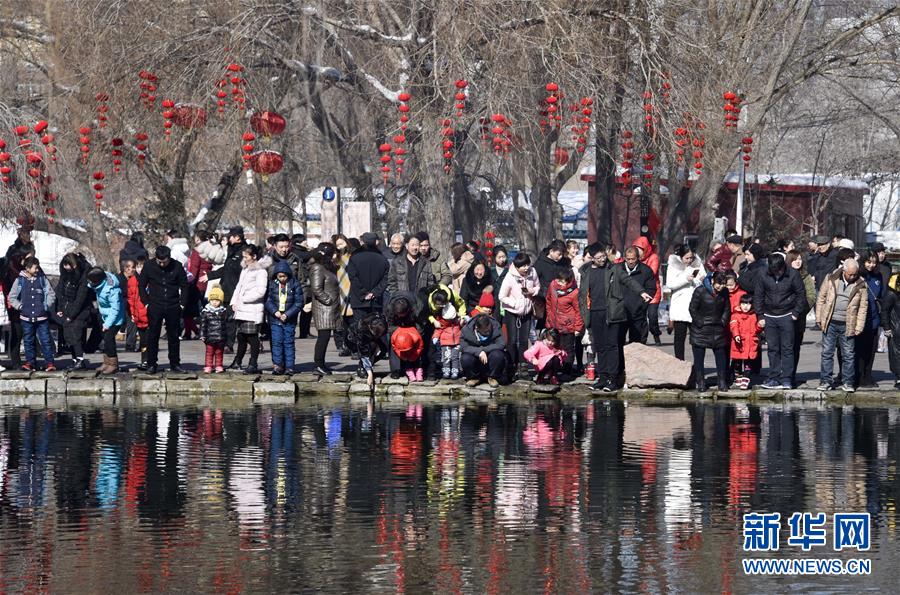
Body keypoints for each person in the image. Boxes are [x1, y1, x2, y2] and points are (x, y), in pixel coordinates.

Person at [580, 244, 650, 392]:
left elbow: (628, 281)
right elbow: (582, 294)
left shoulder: (614, 269)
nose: (602, 260)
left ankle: (613, 378)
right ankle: (603, 377)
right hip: (594, 312)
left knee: (612, 345)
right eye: (598, 258)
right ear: (592, 258)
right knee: (600, 345)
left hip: (611, 312)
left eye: (604, 256)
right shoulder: (586, 271)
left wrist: (641, 292)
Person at [754, 253, 806, 389]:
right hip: (769, 316)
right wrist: (760, 315)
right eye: (774, 270)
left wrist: (796, 313)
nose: (777, 272)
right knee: (773, 349)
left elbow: (801, 294)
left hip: (787, 315)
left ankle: (787, 379)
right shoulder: (763, 274)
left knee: (787, 349)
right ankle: (774, 378)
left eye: (779, 270)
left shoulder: (793, 274)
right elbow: (758, 295)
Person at [815, 258, 867, 392]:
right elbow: (821, 297)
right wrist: (819, 318)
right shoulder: (831, 278)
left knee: (848, 354)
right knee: (827, 352)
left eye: (855, 274)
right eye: (850, 274)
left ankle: (848, 382)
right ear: (844, 271)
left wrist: (859, 326)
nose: (853, 277)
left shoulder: (861, 284)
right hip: (830, 322)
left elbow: (863, 307)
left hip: (848, 324)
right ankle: (825, 381)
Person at [139, 246, 189, 373]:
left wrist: (182, 304)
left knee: (173, 335)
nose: (162, 264)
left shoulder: (177, 266)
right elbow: (141, 285)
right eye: (159, 262)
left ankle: (175, 363)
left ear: (169, 257)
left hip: (173, 304)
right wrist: (146, 303)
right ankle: (151, 363)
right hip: (155, 304)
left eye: (164, 262)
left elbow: (184, 285)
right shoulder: (149, 266)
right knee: (153, 335)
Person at [202, 226, 247, 351]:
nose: (228, 238)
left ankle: (251, 342)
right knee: (228, 318)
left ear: (237, 237)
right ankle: (228, 344)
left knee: (238, 319)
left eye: (230, 236)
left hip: (237, 290)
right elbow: (226, 269)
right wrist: (210, 276)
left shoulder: (244, 251)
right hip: (227, 289)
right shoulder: (232, 250)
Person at [8, 256, 56, 371]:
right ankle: (30, 363)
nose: (38, 270)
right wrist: (20, 306)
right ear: (28, 268)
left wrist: (45, 306)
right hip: (26, 318)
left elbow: (51, 294)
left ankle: (50, 363)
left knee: (45, 340)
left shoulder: (42, 280)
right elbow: (11, 297)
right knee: (28, 341)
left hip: (42, 318)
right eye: (35, 268)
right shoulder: (19, 281)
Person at [228, 244, 270, 374]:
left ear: (254, 256)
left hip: (252, 309)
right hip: (241, 309)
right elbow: (238, 287)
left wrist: (244, 299)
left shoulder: (261, 271)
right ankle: (237, 361)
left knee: (252, 338)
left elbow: (260, 291)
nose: (244, 259)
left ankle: (253, 363)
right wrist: (234, 301)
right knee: (241, 337)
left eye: (246, 256)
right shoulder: (245, 270)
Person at [498, 252, 541, 379]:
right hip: (512, 311)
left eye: (527, 264)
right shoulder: (510, 277)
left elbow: (538, 286)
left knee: (524, 340)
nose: (526, 268)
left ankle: (523, 367)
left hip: (527, 311)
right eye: (523, 266)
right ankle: (511, 366)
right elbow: (502, 296)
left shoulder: (532, 272)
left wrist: (533, 291)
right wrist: (515, 304)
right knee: (511, 341)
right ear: (517, 267)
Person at [688, 271, 730, 392]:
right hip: (701, 329)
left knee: (721, 356)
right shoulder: (700, 291)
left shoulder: (724, 292)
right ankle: (700, 382)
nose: (721, 287)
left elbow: (727, 309)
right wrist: (699, 322)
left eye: (723, 284)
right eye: (719, 284)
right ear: (712, 281)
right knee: (699, 358)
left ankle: (722, 381)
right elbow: (692, 308)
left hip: (717, 328)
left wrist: (723, 321)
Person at [665, 245, 705, 360]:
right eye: (686, 258)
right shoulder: (673, 265)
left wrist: (699, 279)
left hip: (695, 303)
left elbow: (703, 277)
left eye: (691, 258)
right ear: (680, 257)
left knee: (696, 337)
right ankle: (680, 362)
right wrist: (685, 279)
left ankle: (697, 364)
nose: (689, 260)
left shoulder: (697, 264)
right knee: (679, 337)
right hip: (680, 305)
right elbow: (670, 284)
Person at [309, 242, 343, 375]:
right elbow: (316, 288)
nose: (336, 255)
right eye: (334, 253)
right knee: (323, 336)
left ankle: (321, 364)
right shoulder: (317, 267)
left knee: (326, 336)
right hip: (324, 308)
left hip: (330, 308)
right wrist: (328, 300)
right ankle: (318, 364)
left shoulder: (328, 267)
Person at [265, 261, 303, 375]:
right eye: (280, 276)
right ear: (276, 275)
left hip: (289, 319)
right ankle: (278, 365)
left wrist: (287, 314)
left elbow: (299, 302)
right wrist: (274, 311)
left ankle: (290, 366)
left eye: (284, 276)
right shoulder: (272, 284)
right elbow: (268, 300)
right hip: (275, 319)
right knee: (276, 342)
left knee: (289, 342)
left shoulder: (294, 284)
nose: (282, 278)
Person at [785, 250, 816, 387]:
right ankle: (782, 374)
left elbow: (811, 297)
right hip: (783, 317)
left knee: (795, 348)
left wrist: (799, 311)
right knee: (784, 348)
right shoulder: (783, 275)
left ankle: (792, 375)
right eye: (794, 259)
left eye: (799, 259)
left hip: (799, 318)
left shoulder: (806, 276)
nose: (798, 261)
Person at [56, 253, 92, 369]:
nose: (66, 268)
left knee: (75, 333)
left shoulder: (83, 276)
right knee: (68, 335)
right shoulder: (65, 275)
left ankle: (80, 359)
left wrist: (71, 314)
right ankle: (75, 359)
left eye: (68, 265)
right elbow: (60, 291)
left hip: (81, 310)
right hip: (67, 307)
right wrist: (60, 308)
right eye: (65, 265)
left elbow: (80, 298)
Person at [185, 230, 223, 340]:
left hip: (198, 282)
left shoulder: (198, 251)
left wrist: (189, 280)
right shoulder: (212, 249)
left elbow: (194, 269)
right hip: (210, 281)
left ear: (198, 239)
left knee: (189, 310)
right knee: (209, 307)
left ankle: (196, 331)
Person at [86, 267, 125, 375]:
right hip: (104, 314)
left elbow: (115, 309)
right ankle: (106, 362)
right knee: (104, 338)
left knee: (109, 339)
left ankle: (113, 364)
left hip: (115, 318)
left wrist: (108, 324)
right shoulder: (98, 284)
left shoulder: (113, 290)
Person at [545, 268, 583, 374]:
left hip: (568, 325)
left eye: (563, 281)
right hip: (554, 323)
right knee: (555, 347)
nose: (560, 283)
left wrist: (578, 327)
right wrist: (549, 317)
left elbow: (578, 310)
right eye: (559, 280)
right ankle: (555, 370)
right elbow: (548, 301)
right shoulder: (553, 285)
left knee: (568, 349)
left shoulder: (574, 292)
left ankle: (567, 370)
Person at [347, 232, 390, 323]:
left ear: (363, 242)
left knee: (359, 328)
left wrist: (364, 293)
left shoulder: (354, 258)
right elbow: (385, 279)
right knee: (375, 328)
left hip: (359, 300)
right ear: (376, 242)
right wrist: (374, 293)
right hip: (376, 300)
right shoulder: (382, 258)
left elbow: (353, 278)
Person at [856, 250, 883, 388]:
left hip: (874, 319)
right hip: (860, 320)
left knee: (871, 351)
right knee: (860, 350)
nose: (871, 265)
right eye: (869, 262)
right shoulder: (858, 276)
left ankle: (868, 375)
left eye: (874, 262)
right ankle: (859, 376)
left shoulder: (878, 276)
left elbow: (881, 296)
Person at [386, 234, 436, 309]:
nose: (415, 248)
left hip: (420, 302)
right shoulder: (397, 262)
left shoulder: (425, 263)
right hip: (402, 303)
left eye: (417, 245)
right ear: (406, 246)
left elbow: (430, 282)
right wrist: (396, 297)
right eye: (412, 245)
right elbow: (392, 282)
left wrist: (425, 297)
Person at [619, 246, 656, 344]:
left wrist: (642, 305)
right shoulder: (617, 269)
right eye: (628, 259)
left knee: (637, 342)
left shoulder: (646, 271)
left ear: (638, 258)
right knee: (618, 341)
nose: (630, 261)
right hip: (620, 312)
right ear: (624, 258)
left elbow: (651, 289)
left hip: (638, 312)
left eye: (633, 259)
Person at [460, 313, 506, 388]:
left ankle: (493, 377)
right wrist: (479, 352)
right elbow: (463, 347)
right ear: (476, 328)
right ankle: (474, 378)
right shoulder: (466, 330)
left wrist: (483, 350)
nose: (488, 333)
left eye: (489, 330)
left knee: (498, 355)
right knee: (465, 358)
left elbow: (501, 344)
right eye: (485, 332)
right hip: (475, 357)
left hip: (490, 356)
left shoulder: (495, 326)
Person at [345, 312, 388, 388]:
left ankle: (369, 364)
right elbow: (364, 352)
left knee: (383, 350)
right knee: (371, 347)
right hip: (352, 339)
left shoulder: (381, 321)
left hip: (371, 336)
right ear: (371, 328)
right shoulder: (362, 330)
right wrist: (370, 374)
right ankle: (363, 367)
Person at [730, 294, 759, 390]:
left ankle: (746, 378)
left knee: (748, 363)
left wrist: (760, 326)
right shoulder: (735, 315)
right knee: (737, 362)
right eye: (743, 304)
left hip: (750, 343)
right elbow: (734, 326)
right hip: (739, 344)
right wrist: (736, 335)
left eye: (748, 304)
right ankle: (738, 376)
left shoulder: (754, 316)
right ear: (740, 304)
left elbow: (757, 329)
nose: (745, 306)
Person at [126, 257, 150, 370]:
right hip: (138, 315)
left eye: (142, 266)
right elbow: (130, 299)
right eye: (138, 266)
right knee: (142, 340)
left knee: (149, 340)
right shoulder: (132, 280)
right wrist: (132, 313)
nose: (140, 269)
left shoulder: (150, 279)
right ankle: (144, 361)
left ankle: (150, 361)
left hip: (148, 314)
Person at [332, 234, 353, 356]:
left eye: (342, 243)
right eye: (338, 244)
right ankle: (343, 345)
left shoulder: (352, 256)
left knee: (351, 320)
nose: (340, 246)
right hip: (338, 288)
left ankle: (351, 345)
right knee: (340, 321)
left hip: (350, 287)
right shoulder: (335, 258)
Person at [290, 233, 313, 338]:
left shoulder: (304, 251)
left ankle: (305, 331)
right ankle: (298, 331)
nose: (306, 242)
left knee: (307, 309)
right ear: (298, 242)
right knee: (299, 309)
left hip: (308, 285)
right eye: (304, 241)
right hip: (301, 284)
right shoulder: (296, 253)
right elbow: (306, 257)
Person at [199, 286, 228, 373]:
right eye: (212, 300)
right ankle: (208, 366)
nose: (214, 302)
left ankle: (218, 365)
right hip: (209, 337)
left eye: (217, 300)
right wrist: (202, 335)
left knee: (219, 353)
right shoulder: (206, 312)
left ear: (220, 301)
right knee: (209, 353)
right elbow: (203, 325)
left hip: (220, 337)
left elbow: (226, 324)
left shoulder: (223, 311)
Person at [432, 298, 462, 379]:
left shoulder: (457, 321)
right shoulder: (441, 321)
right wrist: (435, 337)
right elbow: (438, 330)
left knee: (455, 357)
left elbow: (463, 326)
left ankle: (455, 371)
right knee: (446, 357)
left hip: (456, 342)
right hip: (445, 343)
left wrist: (464, 319)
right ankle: (446, 370)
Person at [881, 272, 900, 389]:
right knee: (896, 354)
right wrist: (887, 327)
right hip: (895, 328)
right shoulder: (891, 292)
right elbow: (884, 311)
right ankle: (898, 378)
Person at [490, 245, 509, 321]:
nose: (502, 259)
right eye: (499, 257)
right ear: (494, 258)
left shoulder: (510, 271)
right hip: (494, 303)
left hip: (507, 303)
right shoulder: (490, 271)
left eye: (503, 257)